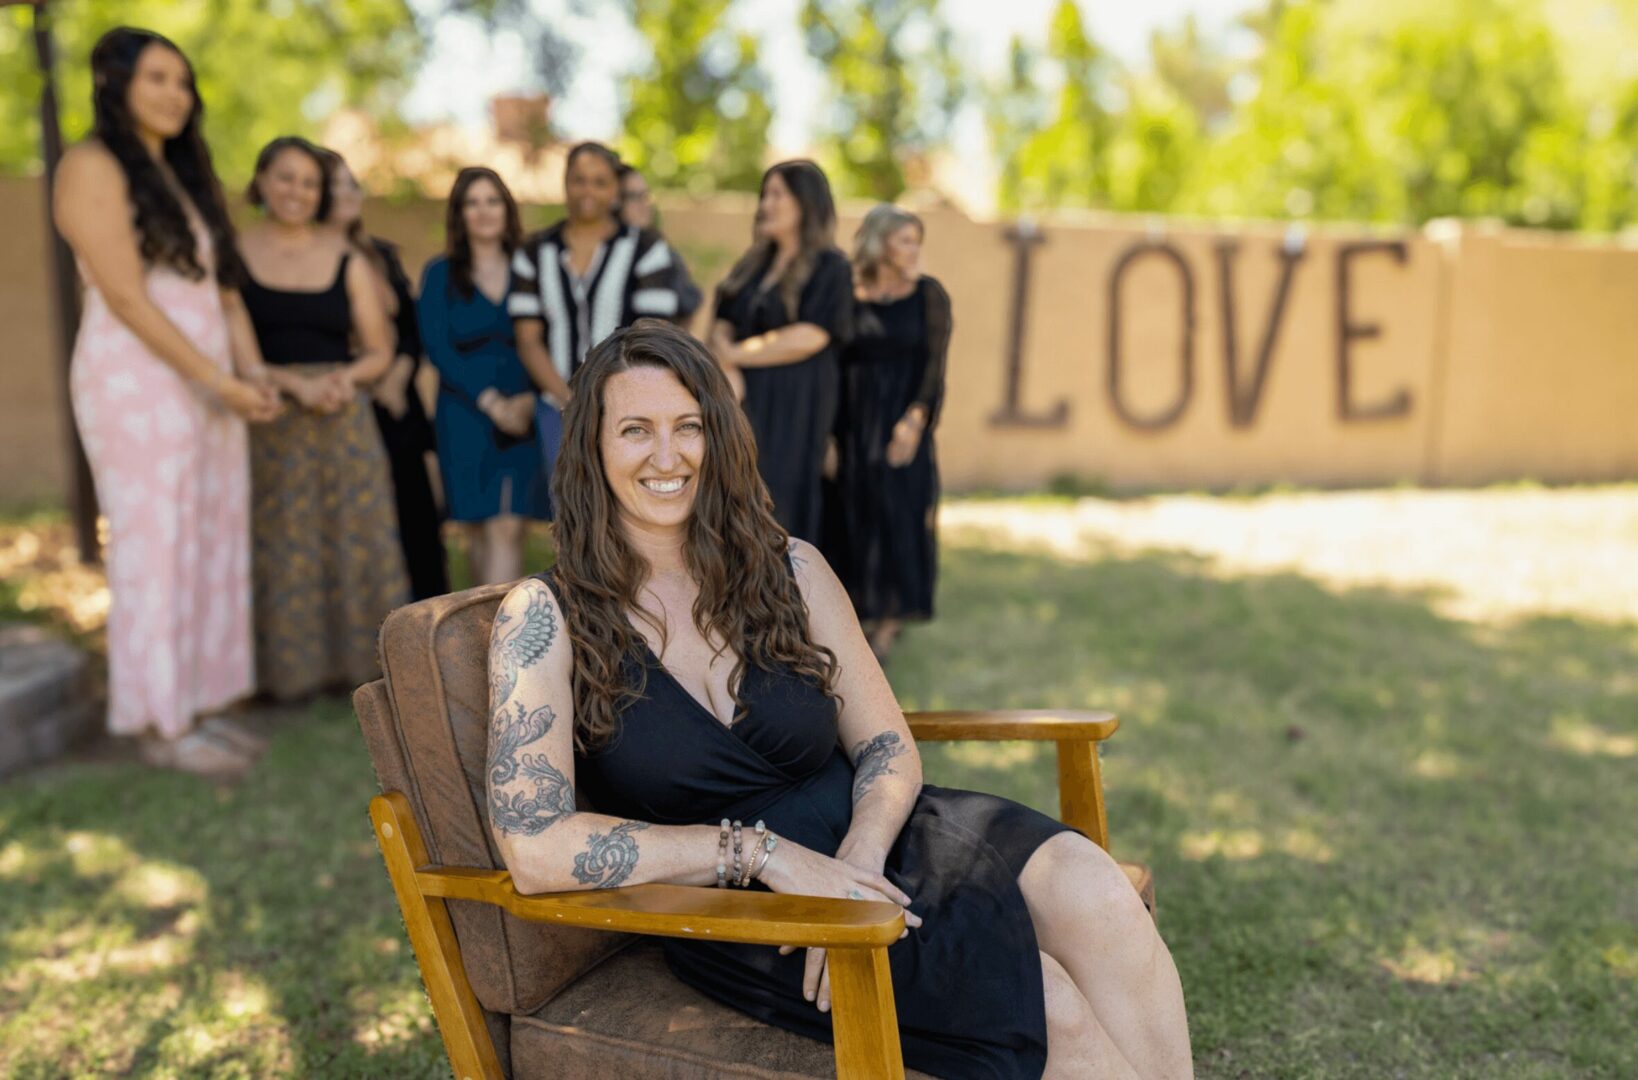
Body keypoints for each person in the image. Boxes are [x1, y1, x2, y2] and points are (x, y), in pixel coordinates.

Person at [484, 321, 1193, 1079]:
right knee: (1047, 1006)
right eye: (635, 430)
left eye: (688, 426)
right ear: (591, 447)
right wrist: (763, 854)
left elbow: (886, 746)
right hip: (746, 905)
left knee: (1096, 889)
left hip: (878, 834)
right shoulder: (544, 618)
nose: (668, 455)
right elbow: (533, 846)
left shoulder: (790, 569)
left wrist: (859, 856)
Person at [54, 27, 280, 776]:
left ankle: (202, 705)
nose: (174, 94)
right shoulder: (90, 165)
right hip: (138, 383)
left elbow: (225, 293)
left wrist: (252, 373)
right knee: (156, 545)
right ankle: (158, 719)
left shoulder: (181, 176)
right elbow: (124, 295)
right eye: (156, 78)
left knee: (213, 540)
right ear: (114, 83)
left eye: (182, 81)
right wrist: (216, 380)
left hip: (209, 384)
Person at [237, 136, 409, 700]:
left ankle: (360, 670)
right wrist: (293, 384)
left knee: (353, 537)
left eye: (310, 183)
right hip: (266, 415)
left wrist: (345, 379)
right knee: (280, 541)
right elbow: (228, 347)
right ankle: (280, 678)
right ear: (262, 181)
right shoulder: (232, 253)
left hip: (341, 415)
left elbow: (380, 350)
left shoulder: (345, 258)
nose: (298, 191)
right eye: (286, 178)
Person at [323, 149, 449, 601]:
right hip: (351, 405)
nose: (346, 193)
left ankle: (424, 627)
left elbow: (413, 328)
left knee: (417, 523)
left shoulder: (380, 255)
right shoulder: (311, 261)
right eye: (334, 184)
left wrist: (398, 374)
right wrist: (372, 379)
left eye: (351, 183)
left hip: (400, 407)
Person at [419, 167, 551, 586]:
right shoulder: (439, 273)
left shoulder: (533, 269)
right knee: (477, 533)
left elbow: (553, 336)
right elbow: (437, 348)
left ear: (507, 208)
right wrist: (490, 401)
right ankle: (483, 621)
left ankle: (503, 626)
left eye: (492, 201)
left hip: (523, 413)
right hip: (465, 415)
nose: (483, 211)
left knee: (508, 526)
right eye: (472, 203)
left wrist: (532, 397)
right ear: (459, 214)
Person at [709, 160, 852, 545]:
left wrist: (735, 355)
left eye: (777, 195)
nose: (765, 205)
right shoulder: (753, 264)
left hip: (795, 409)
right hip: (743, 404)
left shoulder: (831, 267)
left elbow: (810, 335)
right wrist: (725, 362)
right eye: (764, 195)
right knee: (735, 503)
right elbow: (723, 320)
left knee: (781, 509)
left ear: (806, 203)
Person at [832, 205, 952, 660]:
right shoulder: (846, 295)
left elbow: (935, 365)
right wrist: (826, 436)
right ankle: (858, 613)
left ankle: (889, 623)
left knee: (901, 512)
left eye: (917, 241)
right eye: (905, 240)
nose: (914, 249)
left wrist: (916, 420)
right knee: (851, 515)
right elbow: (831, 365)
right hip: (851, 424)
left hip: (903, 422)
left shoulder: (929, 295)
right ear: (879, 242)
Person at [616, 162, 703, 327]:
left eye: (645, 196)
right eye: (633, 197)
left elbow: (658, 328)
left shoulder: (654, 250)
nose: (644, 205)